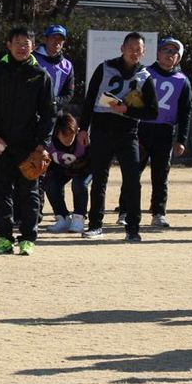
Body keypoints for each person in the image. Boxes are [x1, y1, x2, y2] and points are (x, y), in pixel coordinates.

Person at [0, 26, 54, 255]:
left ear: (33, 46)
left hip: (30, 145)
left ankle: (28, 238)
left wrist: (42, 144)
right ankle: (3, 237)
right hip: (1, 143)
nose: (22, 47)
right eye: (17, 42)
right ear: (8, 45)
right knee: (1, 191)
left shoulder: (40, 75)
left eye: (26, 43)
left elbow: (49, 113)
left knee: (29, 191)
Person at [78, 32, 158, 241]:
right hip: (102, 130)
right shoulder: (105, 68)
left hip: (128, 133)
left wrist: (128, 110)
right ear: (122, 48)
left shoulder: (145, 76)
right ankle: (95, 225)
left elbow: (152, 112)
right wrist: (83, 128)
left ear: (144, 52)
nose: (134, 52)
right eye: (130, 48)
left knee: (132, 180)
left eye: (138, 49)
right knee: (99, 179)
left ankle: (133, 229)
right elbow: (89, 100)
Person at [136, 37, 192, 229]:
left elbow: (186, 112)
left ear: (179, 57)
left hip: (165, 131)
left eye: (174, 52)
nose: (169, 54)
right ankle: (127, 210)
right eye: (165, 50)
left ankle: (158, 212)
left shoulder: (182, 80)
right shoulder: (145, 73)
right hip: (142, 128)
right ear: (158, 54)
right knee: (133, 171)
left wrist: (181, 139)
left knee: (161, 174)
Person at [45, 112, 90, 232]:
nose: (68, 138)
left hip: (84, 167)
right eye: (64, 135)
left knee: (79, 184)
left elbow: (92, 159)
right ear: (57, 132)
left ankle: (79, 218)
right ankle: (63, 218)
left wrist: (82, 164)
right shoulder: (50, 141)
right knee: (50, 184)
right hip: (63, 167)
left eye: (71, 134)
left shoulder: (83, 138)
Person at [35, 25, 75, 111]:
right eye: (53, 37)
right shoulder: (32, 58)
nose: (57, 42)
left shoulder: (67, 66)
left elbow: (68, 93)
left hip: (53, 114)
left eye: (60, 39)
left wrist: (53, 102)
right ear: (45, 39)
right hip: (30, 112)